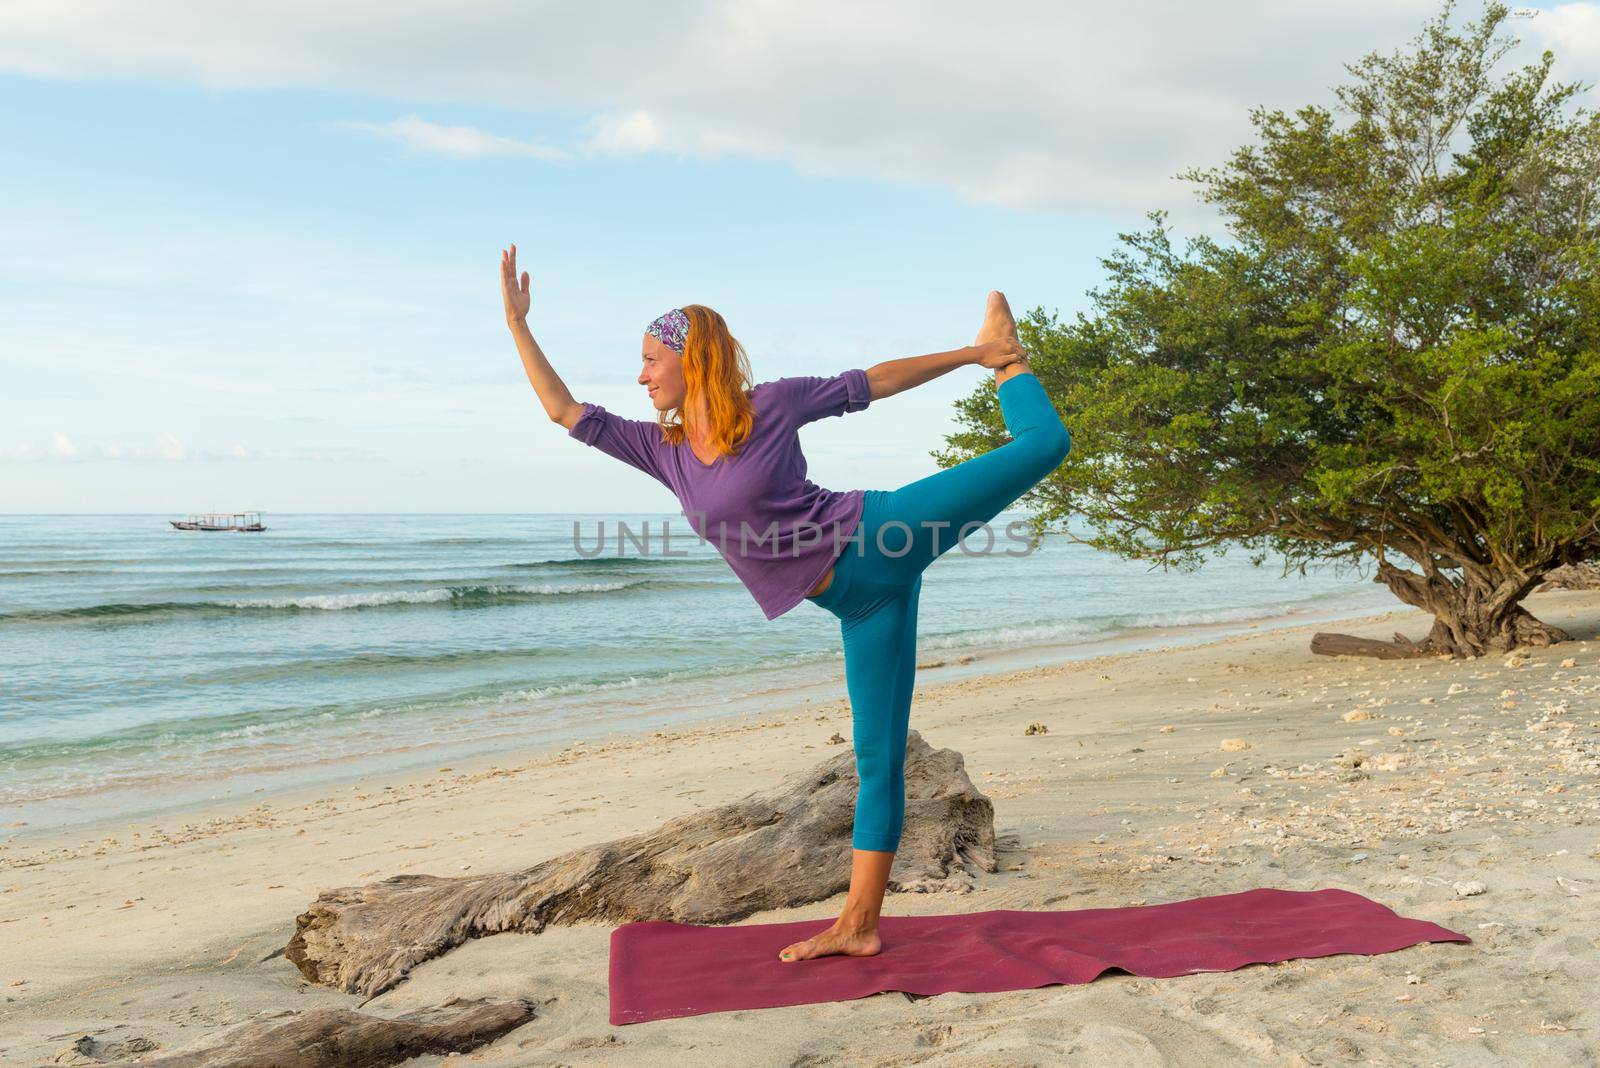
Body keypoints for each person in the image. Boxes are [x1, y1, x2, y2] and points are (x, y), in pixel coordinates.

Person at [500, 243, 1071, 963]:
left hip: (881, 533)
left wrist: (971, 353)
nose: (640, 375)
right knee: (879, 761)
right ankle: (859, 924)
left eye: (650, 359)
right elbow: (563, 411)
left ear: (690, 357)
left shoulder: (771, 403)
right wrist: (519, 325)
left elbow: (874, 382)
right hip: (860, 608)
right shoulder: (661, 450)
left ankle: (1007, 359)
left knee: (1045, 443)